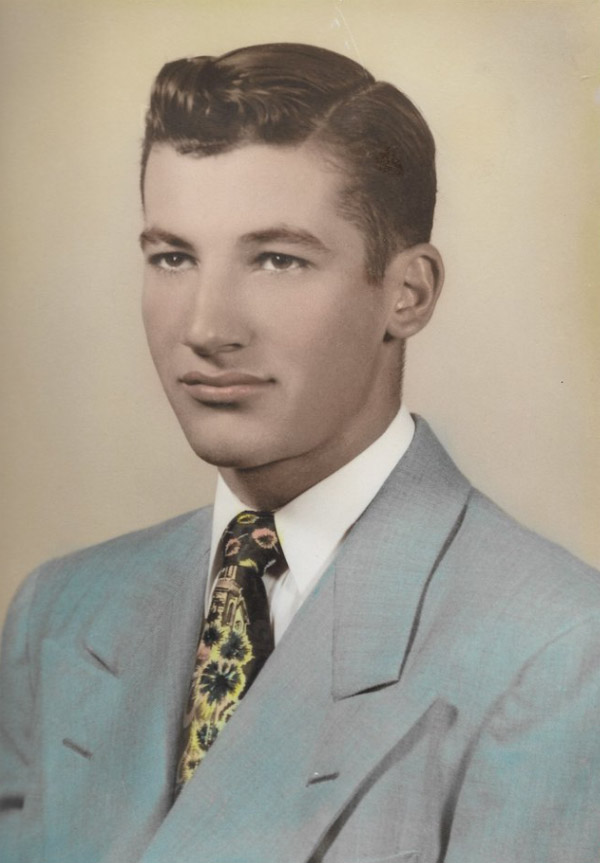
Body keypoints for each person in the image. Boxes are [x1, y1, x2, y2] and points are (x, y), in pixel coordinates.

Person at [1, 42, 599, 863]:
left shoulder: (560, 650)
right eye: (173, 257)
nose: (207, 327)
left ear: (409, 293)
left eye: (278, 259)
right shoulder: (60, 613)